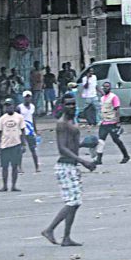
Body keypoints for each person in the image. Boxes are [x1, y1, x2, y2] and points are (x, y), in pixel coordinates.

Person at [42, 98, 94, 248]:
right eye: (68, 104)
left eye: (73, 103)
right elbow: (62, 148)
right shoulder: (62, 123)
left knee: (75, 203)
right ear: (62, 106)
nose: (71, 106)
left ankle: (66, 237)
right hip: (65, 166)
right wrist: (83, 161)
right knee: (73, 202)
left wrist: (84, 144)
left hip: (72, 165)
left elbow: (72, 144)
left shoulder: (72, 121)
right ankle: (49, 229)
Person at [0, 102, 27, 193]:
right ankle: (4, 186)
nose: (9, 108)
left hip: (16, 145)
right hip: (5, 145)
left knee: (15, 166)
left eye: (10, 105)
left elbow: (23, 131)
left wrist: (23, 144)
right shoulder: (2, 118)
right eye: (7, 106)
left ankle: (13, 186)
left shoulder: (19, 117)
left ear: (13, 106)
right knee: (4, 167)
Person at [97, 86, 131, 164]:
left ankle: (126, 156)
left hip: (112, 122)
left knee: (116, 140)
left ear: (110, 88)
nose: (105, 88)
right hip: (104, 122)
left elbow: (117, 109)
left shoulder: (113, 97)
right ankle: (98, 159)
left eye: (107, 87)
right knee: (101, 141)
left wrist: (118, 122)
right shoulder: (102, 98)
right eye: (104, 87)